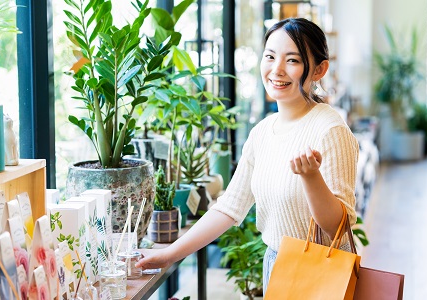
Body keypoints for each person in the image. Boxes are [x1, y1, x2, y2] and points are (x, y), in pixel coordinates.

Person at [135, 17, 359, 294]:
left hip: (321, 273)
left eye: (293, 60)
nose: (276, 70)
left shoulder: (330, 129)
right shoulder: (262, 133)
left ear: (319, 69)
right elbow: (230, 208)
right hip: (276, 264)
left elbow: (340, 225)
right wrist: (169, 254)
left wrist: (311, 177)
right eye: (270, 56)